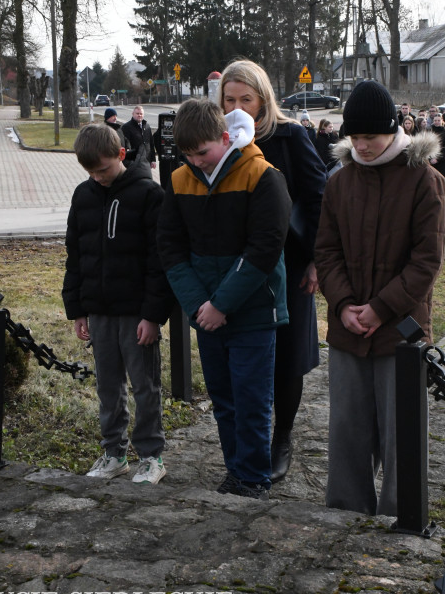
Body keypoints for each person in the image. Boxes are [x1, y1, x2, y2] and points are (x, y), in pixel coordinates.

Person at [315, 80, 445, 516]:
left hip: (401, 333)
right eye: (354, 138)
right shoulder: (339, 182)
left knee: (400, 433)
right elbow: (327, 252)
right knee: (348, 431)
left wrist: (379, 308)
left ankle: (401, 514)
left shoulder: (425, 182)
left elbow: (426, 262)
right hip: (348, 328)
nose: (362, 146)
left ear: (393, 131)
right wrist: (343, 305)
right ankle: (346, 511)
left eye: (370, 137)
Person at [157, 100, 292, 500]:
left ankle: (252, 479)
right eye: (187, 155)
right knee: (224, 400)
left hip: (252, 312)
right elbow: (170, 248)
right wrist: (199, 306)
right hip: (206, 314)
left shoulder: (263, 176)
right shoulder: (180, 180)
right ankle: (236, 471)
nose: (197, 162)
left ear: (225, 136)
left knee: (251, 401)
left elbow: (263, 251)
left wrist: (221, 305)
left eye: (203, 152)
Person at [218, 59, 327, 483]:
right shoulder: (223, 139)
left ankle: (282, 436)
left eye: (246, 98)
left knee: (286, 359)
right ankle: (252, 438)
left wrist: (317, 258)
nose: (238, 106)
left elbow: (319, 197)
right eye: (230, 99)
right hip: (240, 265)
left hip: (291, 264)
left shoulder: (290, 136)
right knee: (247, 358)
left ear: (263, 99)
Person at [62, 123, 173, 483]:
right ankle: (113, 453)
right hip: (99, 310)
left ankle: (151, 456)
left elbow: (160, 261)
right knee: (108, 385)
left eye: (104, 169)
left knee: (145, 385)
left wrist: (153, 316)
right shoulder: (83, 196)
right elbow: (75, 255)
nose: (99, 177)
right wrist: (77, 308)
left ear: (121, 155)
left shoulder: (148, 195)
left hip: (138, 313)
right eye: (91, 172)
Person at [430, 112, 445, 181]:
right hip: (431, 160)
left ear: (442, 121)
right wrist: (430, 158)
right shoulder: (429, 131)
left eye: (438, 120)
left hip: (442, 161)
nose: (437, 122)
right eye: (435, 120)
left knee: (442, 180)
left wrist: (437, 158)